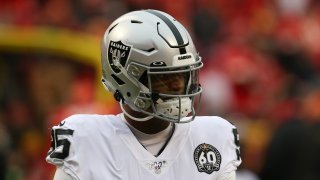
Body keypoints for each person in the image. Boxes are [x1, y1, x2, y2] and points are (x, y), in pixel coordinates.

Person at [46, 9, 241, 180]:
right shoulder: (87, 140)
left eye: (184, 75)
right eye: (164, 78)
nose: (178, 86)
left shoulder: (213, 136)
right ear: (125, 77)